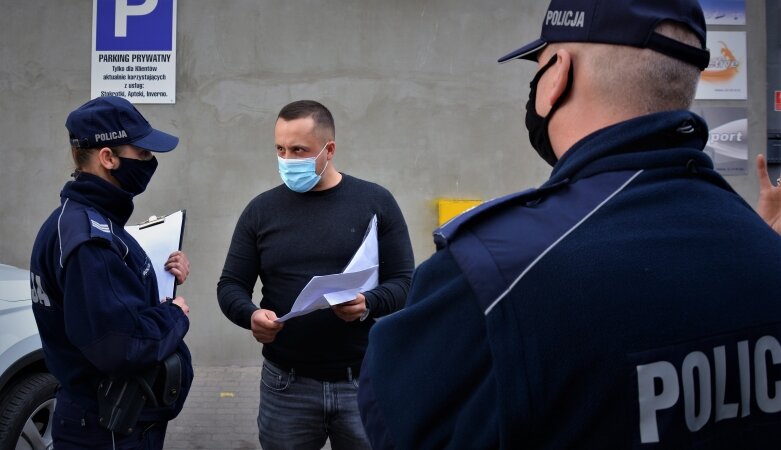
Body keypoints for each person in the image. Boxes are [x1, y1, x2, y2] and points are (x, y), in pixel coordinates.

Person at [358, 0, 781, 448]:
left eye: (538, 65)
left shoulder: (493, 270)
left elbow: (398, 420)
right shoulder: (763, 247)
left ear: (557, 74)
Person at [217, 100, 414, 450]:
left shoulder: (376, 202)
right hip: (286, 386)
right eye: (280, 149)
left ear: (329, 150)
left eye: (299, 150)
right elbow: (230, 285)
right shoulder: (260, 211)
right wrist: (250, 316)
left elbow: (404, 281)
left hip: (363, 381)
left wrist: (368, 302)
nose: (288, 160)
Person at [29, 96, 194, 450]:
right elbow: (121, 346)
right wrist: (174, 315)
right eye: (144, 154)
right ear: (108, 158)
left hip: (100, 419)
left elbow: (104, 299)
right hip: (109, 428)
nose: (151, 163)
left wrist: (154, 270)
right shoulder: (90, 240)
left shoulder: (75, 221)